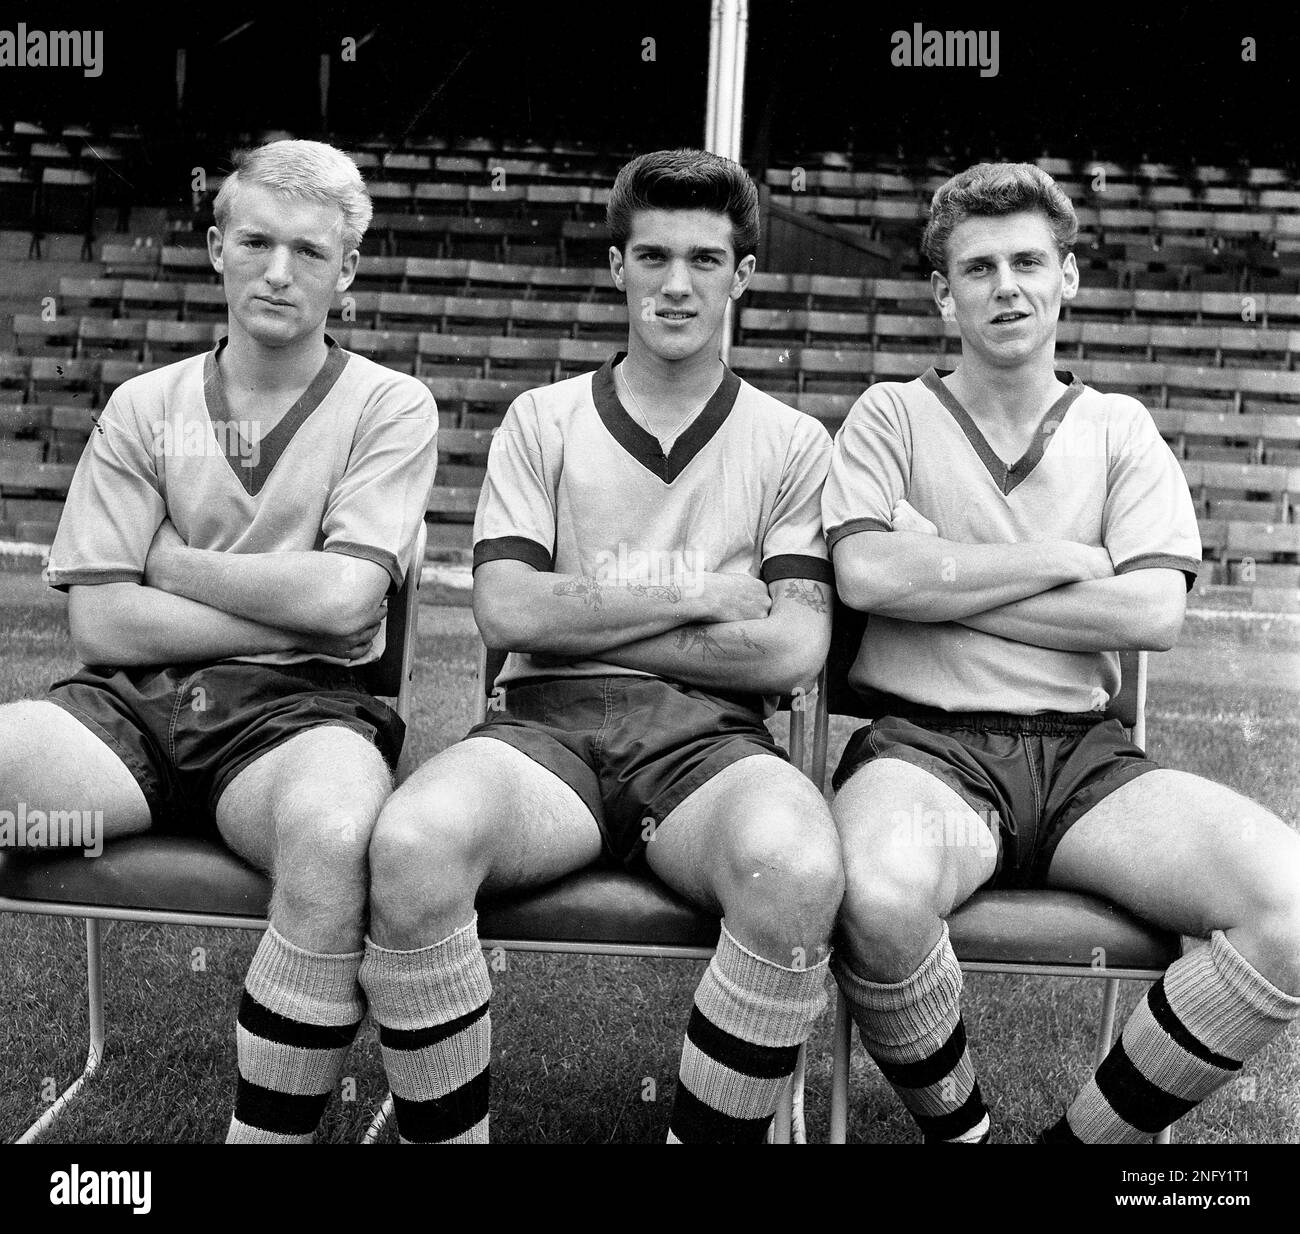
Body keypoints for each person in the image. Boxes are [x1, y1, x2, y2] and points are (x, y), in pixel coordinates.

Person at [362, 148, 843, 1144]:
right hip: (545, 733)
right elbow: (510, 614)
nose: (677, 284)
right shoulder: (540, 419)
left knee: (794, 868)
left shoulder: (793, 440)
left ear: (742, 275)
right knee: (411, 845)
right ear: (616, 266)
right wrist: (696, 592)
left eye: (705, 260)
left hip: (710, 746)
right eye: (653, 256)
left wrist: (601, 620)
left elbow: (792, 646)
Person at [821, 162, 1300, 1144]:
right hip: (927, 752)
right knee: (875, 888)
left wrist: (948, 580)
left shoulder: (1118, 428)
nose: (1006, 285)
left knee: (1289, 910)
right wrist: (1059, 564)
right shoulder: (890, 414)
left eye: (1028, 261)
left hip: (1083, 760)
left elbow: (1151, 611)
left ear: (1068, 277)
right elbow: (869, 579)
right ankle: (965, 1137)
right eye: (978, 266)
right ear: (940, 294)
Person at [0, 139, 439, 1143]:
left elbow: (346, 603)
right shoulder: (143, 406)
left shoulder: (388, 405)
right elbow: (102, 622)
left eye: (310, 252)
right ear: (215, 247)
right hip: (135, 710)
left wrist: (169, 562)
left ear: (348, 271)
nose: (280, 272)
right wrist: (305, 608)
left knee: (332, 836)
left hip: (303, 719)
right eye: (256, 241)